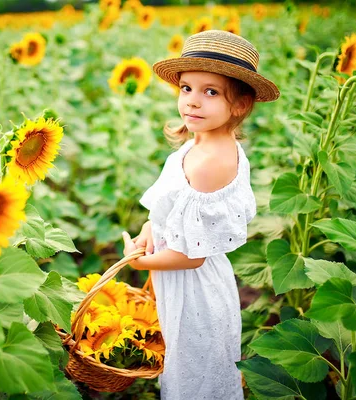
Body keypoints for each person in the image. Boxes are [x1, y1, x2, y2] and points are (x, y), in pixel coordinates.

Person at [121, 30, 280, 399]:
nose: (192, 101)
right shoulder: (202, 141)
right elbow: (174, 213)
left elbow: (191, 256)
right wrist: (150, 227)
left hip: (194, 293)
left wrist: (142, 263)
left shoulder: (211, 163)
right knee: (183, 368)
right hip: (179, 279)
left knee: (195, 374)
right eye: (186, 88)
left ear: (240, 105)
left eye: (210, 92)